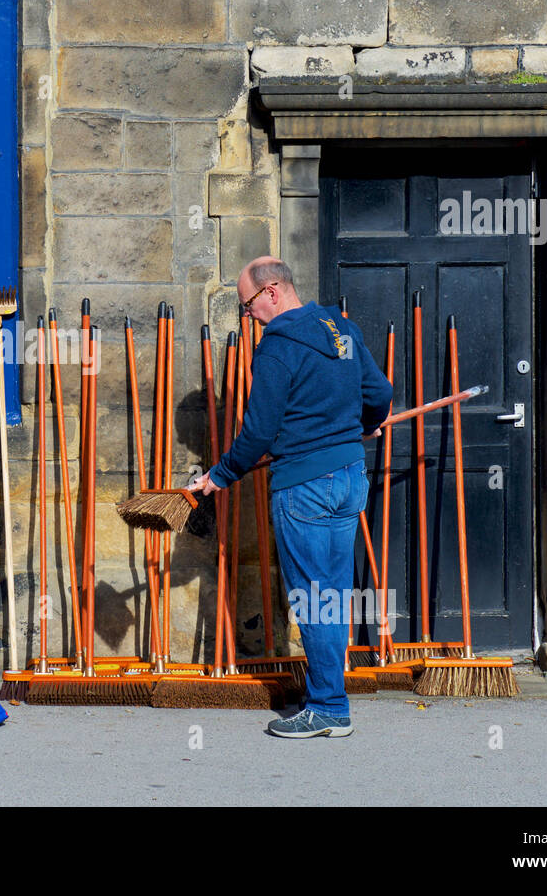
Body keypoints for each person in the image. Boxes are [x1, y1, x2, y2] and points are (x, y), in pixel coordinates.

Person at [186, 257, 392, 738]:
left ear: (272, 291)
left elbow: (258, 431)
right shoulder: (341, 329)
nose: (249, 315)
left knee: (316, 597)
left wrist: (221, 473)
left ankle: (328, 708)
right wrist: (358, 428)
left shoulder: (276, 347)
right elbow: (379, 393)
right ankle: (327, 695)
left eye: (248, 305)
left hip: (306, 487)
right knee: (333, 594)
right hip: (348, 478)